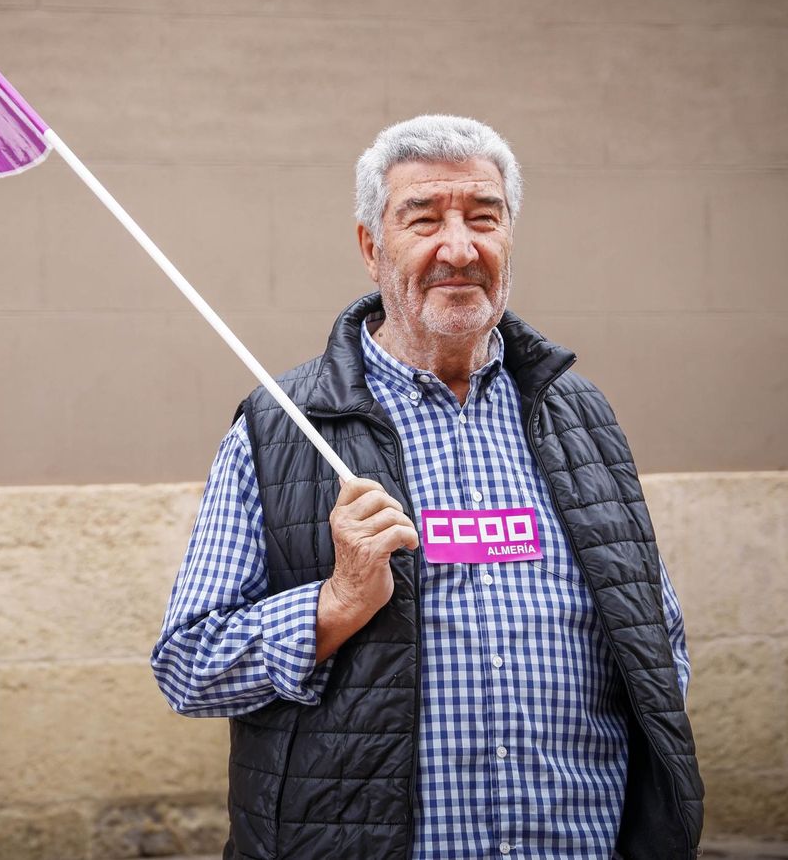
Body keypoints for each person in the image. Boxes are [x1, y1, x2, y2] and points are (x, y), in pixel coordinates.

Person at [150, 115, 704, 860]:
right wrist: (335, 604)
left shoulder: (581, 415)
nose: (459, 248)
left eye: (484, 218)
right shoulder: (282, 428)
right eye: (424, 220)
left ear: (511, 235)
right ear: (371, 246)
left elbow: (655, 644)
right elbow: (189, 665)